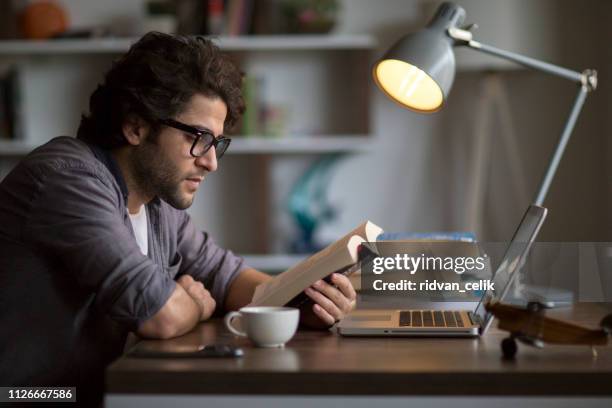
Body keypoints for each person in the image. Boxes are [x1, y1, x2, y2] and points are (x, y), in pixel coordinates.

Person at [0, 32, 356, 407]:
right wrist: (195, 304)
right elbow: (160, 315)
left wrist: (305, 305)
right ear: (136, 126)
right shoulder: (68, 178)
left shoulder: (157, 204)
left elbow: (228, 277)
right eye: (198, 138)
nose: (211, 161)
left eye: (217, 143)